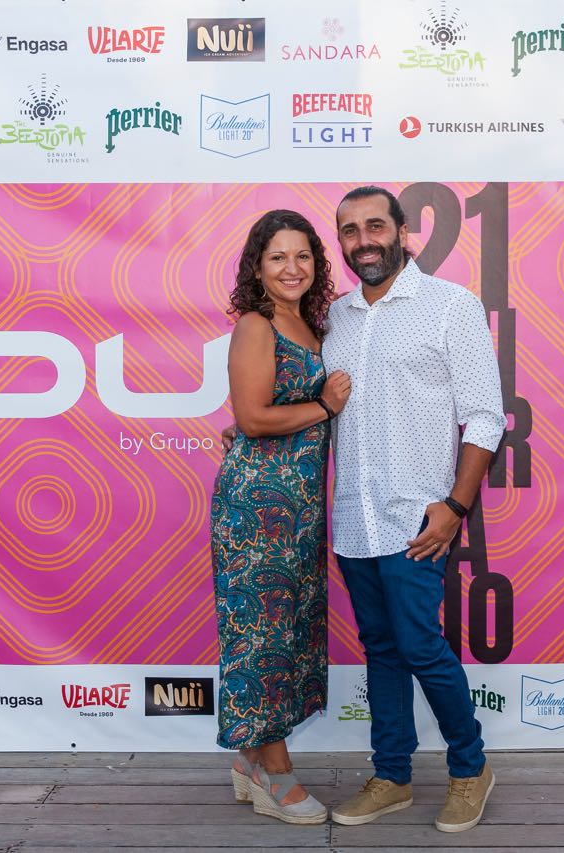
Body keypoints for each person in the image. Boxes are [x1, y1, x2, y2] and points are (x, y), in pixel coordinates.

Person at [323, 186, 505, 833]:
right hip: (354, 518)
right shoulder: (335, 318)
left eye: (375, 226)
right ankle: (392, 775)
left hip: (417, 520)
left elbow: (485, 416)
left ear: (403, 233)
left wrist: (455, 505)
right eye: (350, 231)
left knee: (422, 646)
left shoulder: (450, 306)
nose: (363, 240)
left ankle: (470, 768)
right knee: (381, 649)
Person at [209, 209, 352, 825]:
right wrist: (324, 406)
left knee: (290, 634)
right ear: (257, 267)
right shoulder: (256, 324)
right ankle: (278, 775)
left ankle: (250, 761)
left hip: (300, 508)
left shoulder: (312, 324)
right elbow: (253, 418)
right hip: (256, 509)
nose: (292, 268)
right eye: (277, 257)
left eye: (303, 256)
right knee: (262, 639)